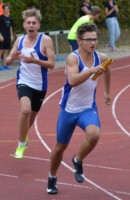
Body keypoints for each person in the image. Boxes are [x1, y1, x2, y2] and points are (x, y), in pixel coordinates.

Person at [47, 23, 111, 194]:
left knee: (94, 134)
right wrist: (90, 71)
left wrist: (106, 92)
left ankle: (77, 159)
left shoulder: (101, 57)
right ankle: (52, 176)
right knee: (60, 147)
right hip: (69, 110)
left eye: (95, 39)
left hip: (87, 108)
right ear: (79, 41)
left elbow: (107, 70)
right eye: (88, 39)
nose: (93, 43)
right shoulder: (73, 58)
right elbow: (72, 80)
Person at [5, 7, 55, 159]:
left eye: (34, 23)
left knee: (31, 118)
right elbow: (7, 61)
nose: (31, 25)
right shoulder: (20, 40)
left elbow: (52, 64)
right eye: (29, 23)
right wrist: (13, 57)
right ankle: (21, 145)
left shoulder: (45, 40)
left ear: (39, 25)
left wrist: (35, 60)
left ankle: (24, 136)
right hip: (24, 81)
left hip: (40, 85)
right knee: (25, 110)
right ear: (24, 25)